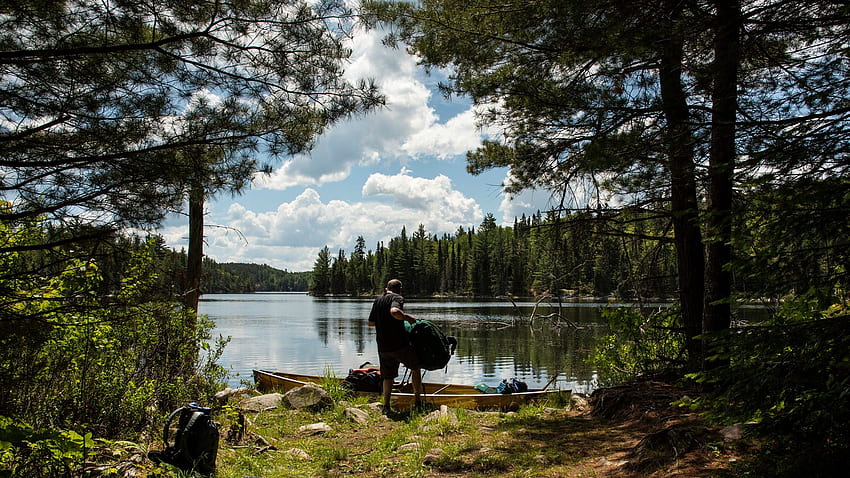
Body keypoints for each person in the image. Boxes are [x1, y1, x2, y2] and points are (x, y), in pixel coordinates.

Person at [368, 278, 423, 413]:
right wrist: (408, 318)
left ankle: (386, 405)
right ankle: (417, 401)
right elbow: (394, 312)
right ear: (399, 289)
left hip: (383, 346)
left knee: (388, 376)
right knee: (415, 367)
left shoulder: (378, 300)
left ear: (387, 288)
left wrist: (384, 322)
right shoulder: (397, 298)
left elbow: (370, 323)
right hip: (399, 345)